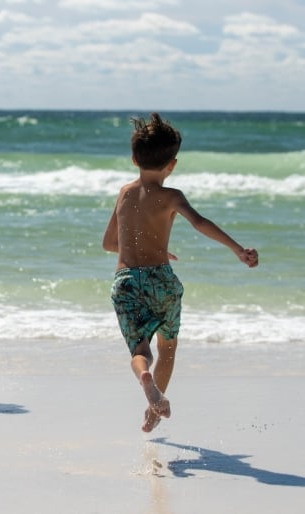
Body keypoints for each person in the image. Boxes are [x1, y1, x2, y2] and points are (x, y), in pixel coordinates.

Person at [102, 113, 258, 432]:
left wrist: (139, 250)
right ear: (172, 164)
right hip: (163, 281)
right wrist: (238, 250)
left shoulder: (125, 193)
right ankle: (154, 410)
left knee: (140, 349)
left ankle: (145, 377)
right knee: (167, 348)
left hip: (127, 282)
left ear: (133, 159)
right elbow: (200, 223)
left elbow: (108, 243)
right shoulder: (171, 196)